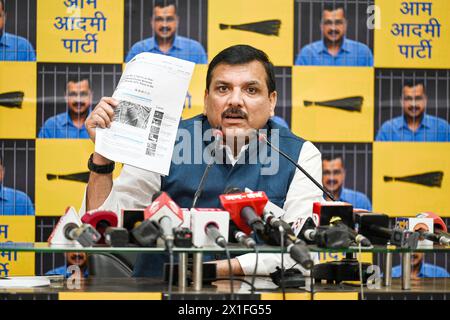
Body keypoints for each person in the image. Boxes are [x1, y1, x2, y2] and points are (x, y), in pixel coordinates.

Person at [81, 44, 323, 277]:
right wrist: (103, 155)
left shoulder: (300, 154)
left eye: (251, 90)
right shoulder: (164, 142)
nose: (235, 101)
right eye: (223, 89)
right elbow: (104, 232)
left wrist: (219, 270)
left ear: (271, 102)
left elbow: (304, 252)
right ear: (206, 100)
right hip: (163, 291)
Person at [125, 0, 207, 64]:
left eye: (169, 19)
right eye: (159, 19)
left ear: (177, 21)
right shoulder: (138, 49)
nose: (164, 24)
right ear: (152, 22)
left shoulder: (195, 49)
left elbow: (203, 81)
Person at [294, 4, 373, 66]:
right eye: (328, 23)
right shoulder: (307, 53)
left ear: (345, 25)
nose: (333, 28)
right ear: (321, 26)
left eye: (338, 22)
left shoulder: (363, 53)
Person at [376, 80, 450, 142]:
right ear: (401, 101)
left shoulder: (443, 128)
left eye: (418, 98)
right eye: (408, 99)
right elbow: (378, 158)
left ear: (425, 100)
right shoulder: (387, 129)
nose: (413, 104)